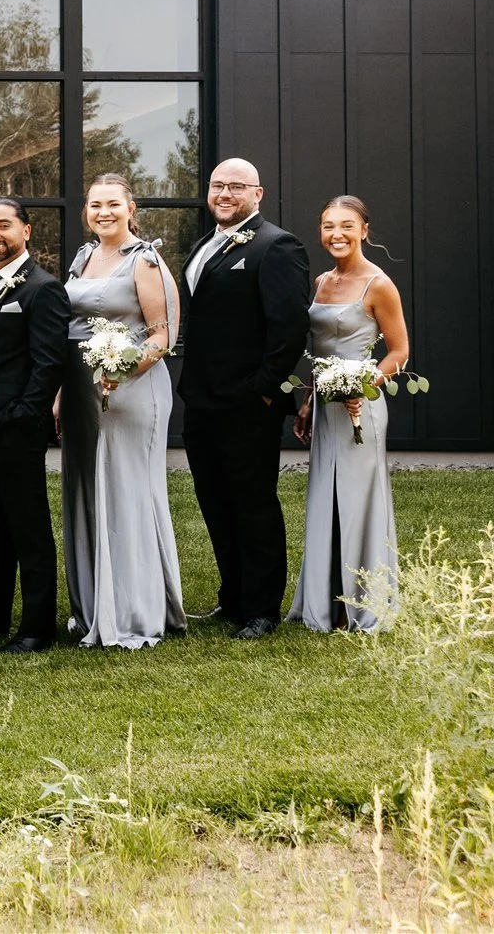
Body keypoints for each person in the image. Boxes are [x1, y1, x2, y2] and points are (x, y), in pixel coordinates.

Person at [178, 158, 310, 641]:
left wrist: (264, 390)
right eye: (218, 185)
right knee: (215, 501)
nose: (224, 193)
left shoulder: (277, 246)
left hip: (248, 402)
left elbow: (289, 326)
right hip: (201, 400)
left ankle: (261, 608)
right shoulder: (204, 245)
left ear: (258, 194)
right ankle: (232, 596)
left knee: (253, 504)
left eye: (236, 186)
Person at [58, 176, 185, 650]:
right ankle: (93, 605)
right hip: (80, 392)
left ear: (131, 209)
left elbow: (162, 335)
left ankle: (134, 610)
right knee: (87, 489)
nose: (104, 212)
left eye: (113, 204)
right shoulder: (83, 257)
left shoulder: (145, 260)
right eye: (95, 205)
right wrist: (61, 392)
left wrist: (123, 370)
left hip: (128, 391)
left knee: (127, 490)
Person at [290, 196, 410, 633]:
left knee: (357, 501)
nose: (336, 234)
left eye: (346, 225)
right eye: (328, 226)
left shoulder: (379, 284)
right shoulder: (322, 281)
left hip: (362, 407)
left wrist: (364, 385)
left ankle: (361, 601)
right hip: (326, 406)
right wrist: (308, 401)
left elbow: (399, 352)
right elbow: (320, 351)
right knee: (326, 496)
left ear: (364, 230)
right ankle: (326, 600)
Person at [0, 199, 69, 654]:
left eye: (4, 225)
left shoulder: (43, 288)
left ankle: (37, 627)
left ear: (26, 230)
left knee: (29, 529)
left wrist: (23, 416)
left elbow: (49, 363)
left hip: (16, 429)